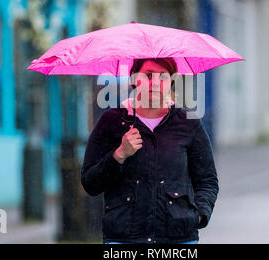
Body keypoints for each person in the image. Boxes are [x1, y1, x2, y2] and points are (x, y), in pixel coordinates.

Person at [81, 57, 219, 244]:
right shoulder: (112, 121)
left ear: (171, 81)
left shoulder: (188, 122)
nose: (155, 83)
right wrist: (119, 154)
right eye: (148, 75)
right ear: (133, 78)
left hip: (178, 239)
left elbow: (207, 180)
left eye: (162, 76)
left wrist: (200, 215)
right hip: (125, 238)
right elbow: (90, 183)